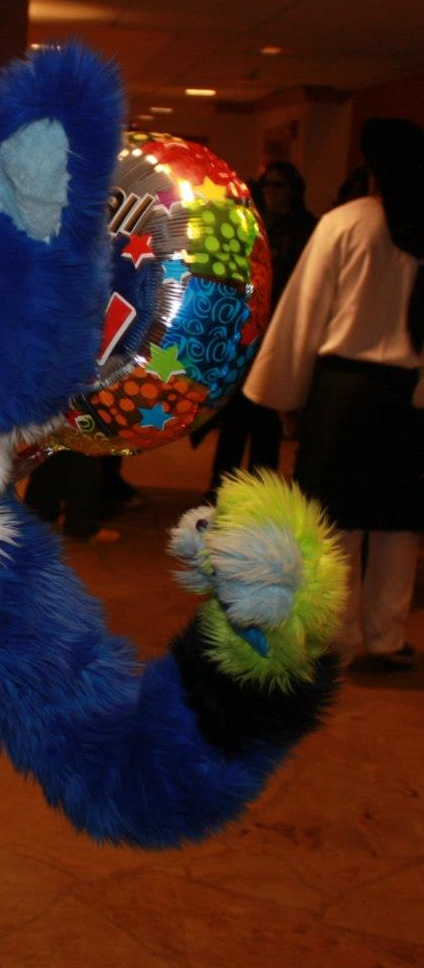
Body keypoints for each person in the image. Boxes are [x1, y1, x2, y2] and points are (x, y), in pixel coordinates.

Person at [244, 119, 424, 669]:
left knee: (334, 519)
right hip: (410, 397)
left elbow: (306, 311)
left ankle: (332, 638)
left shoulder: (345, 222)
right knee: (399, 523)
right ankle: (386, 638)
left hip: (344, 394)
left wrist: (285, 392)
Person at [206, 161, 316, 496]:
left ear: (293, 190)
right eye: (266, 184)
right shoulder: (253, 225)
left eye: (278, 185)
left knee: (266, 422)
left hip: (279, 335)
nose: (270, 191)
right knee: (235, 420)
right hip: (245, 334)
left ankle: (257, 494)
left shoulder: (306, 231)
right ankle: (219, 489)